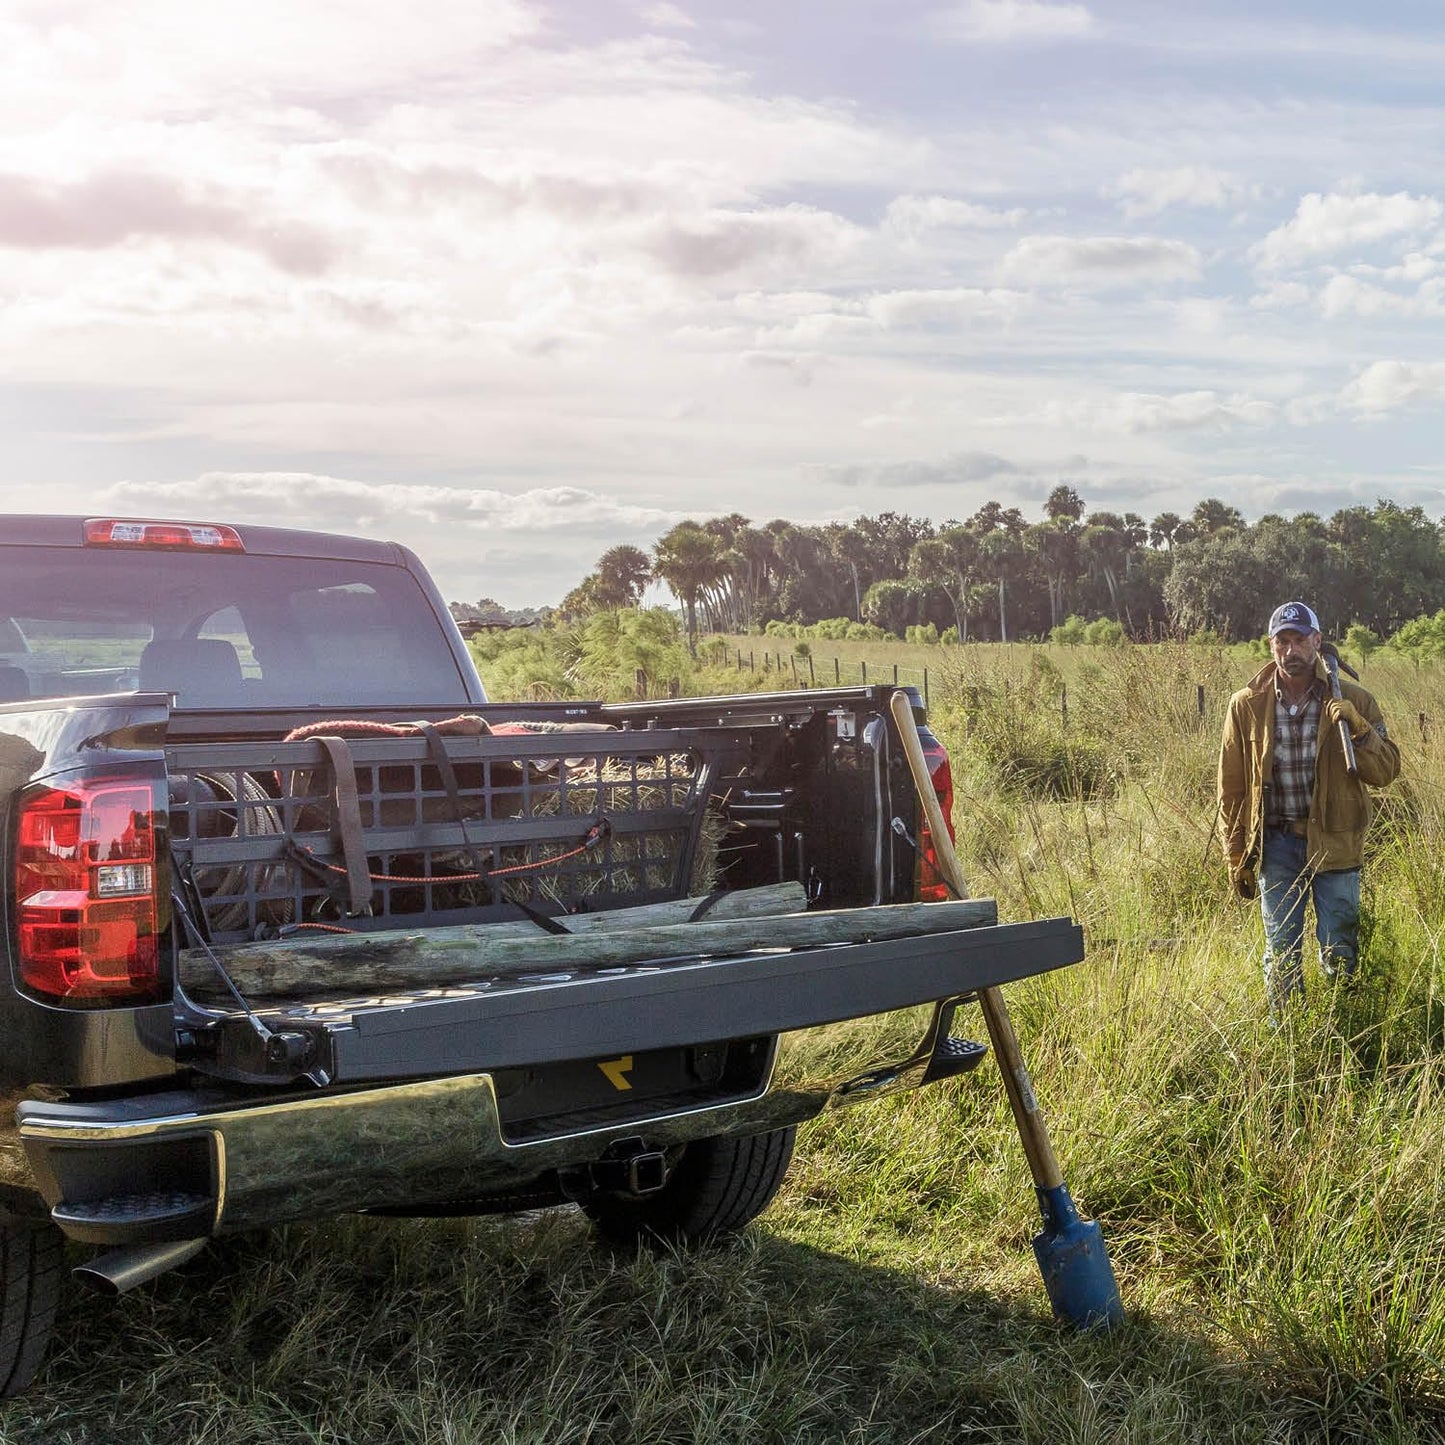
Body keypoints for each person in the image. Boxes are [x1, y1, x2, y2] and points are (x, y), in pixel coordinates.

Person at [1217, 601, 1400, 1011]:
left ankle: (1346, 1027)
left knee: (1341, 949)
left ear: (1317, 642)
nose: (1291, 649)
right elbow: (1231, 790)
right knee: (1281, 953)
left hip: (1336, 843)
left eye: (1300, 639)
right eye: (1283, 641)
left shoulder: (1354, 699)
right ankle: (1288, 1040)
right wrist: (1235, 853)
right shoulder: (1246, 704)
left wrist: (1359, 728)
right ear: (1271, 646)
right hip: (1276, 844)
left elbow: (1387, 770)